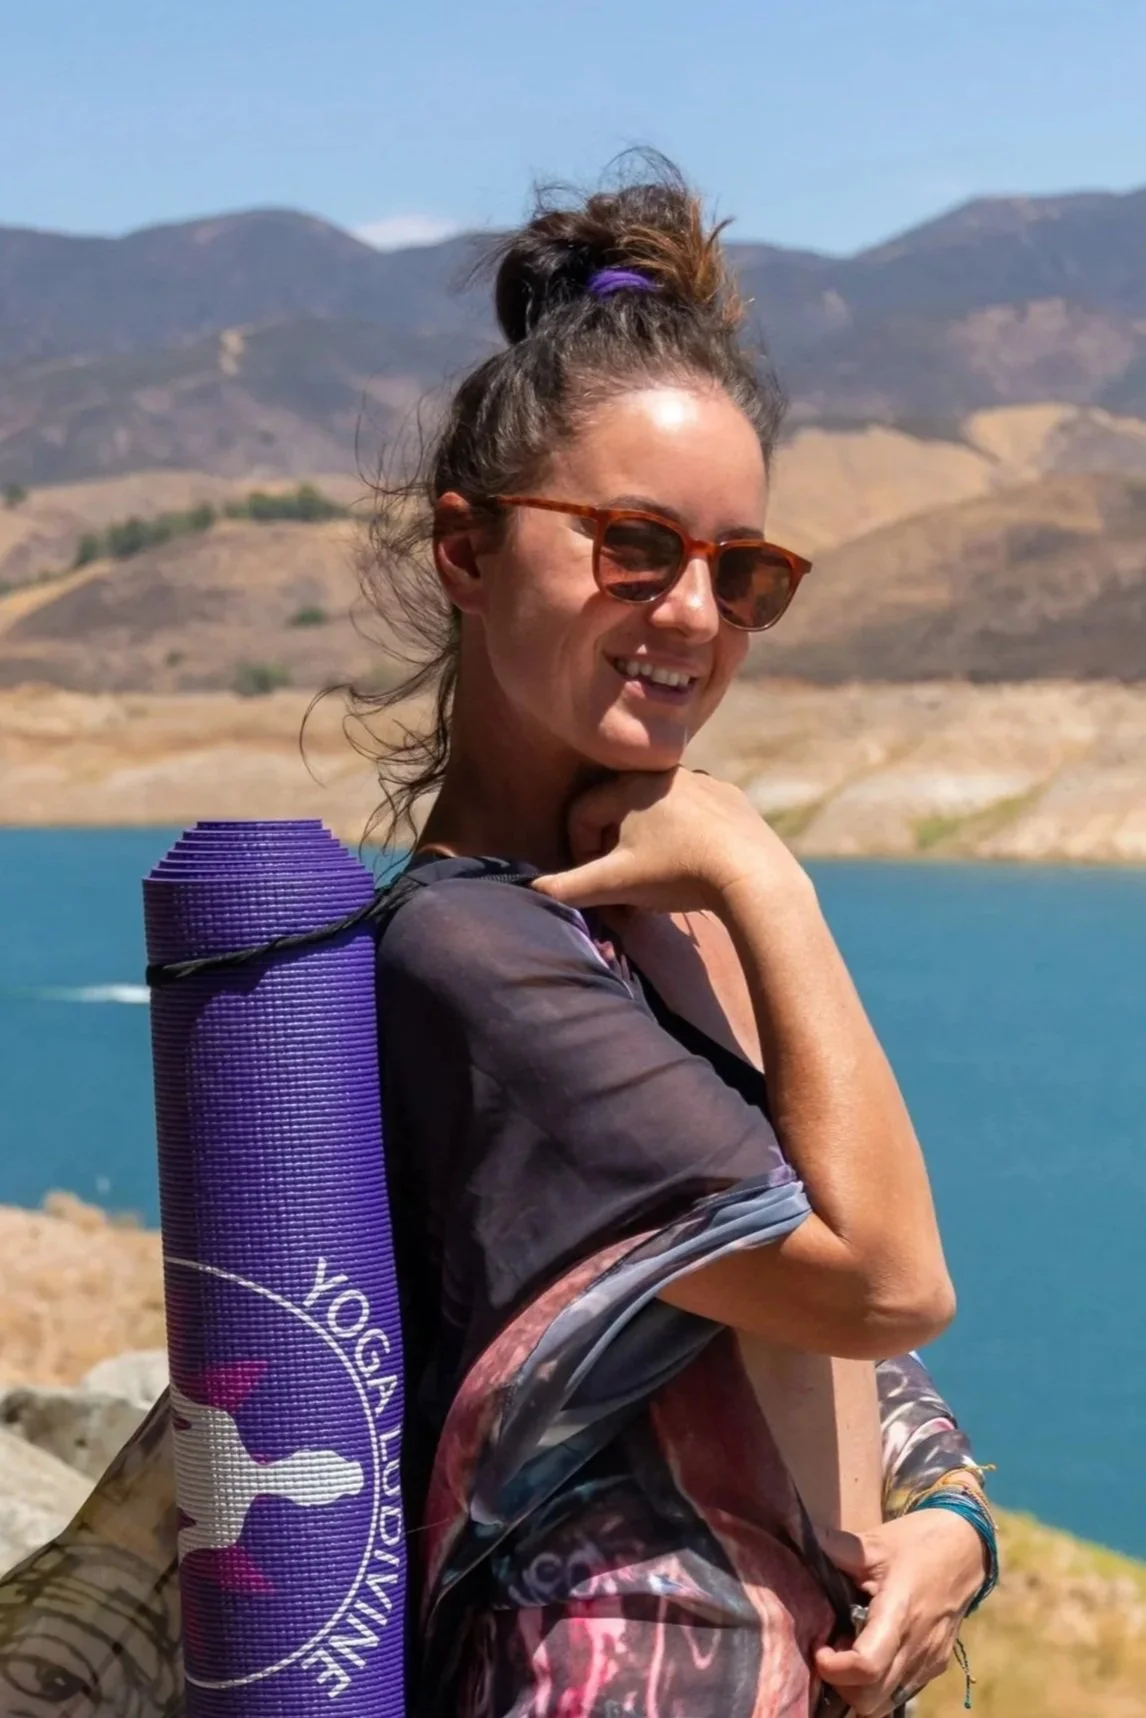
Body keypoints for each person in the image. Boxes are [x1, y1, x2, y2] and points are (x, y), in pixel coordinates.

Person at [359, 159, 997, 1717]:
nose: (695, 615)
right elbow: (884, 1278)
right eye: (631, 544)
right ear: (466, 551)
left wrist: (948, 1520)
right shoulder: (474, 950)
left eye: (740, 568)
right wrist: (768, 881)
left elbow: (824, 1325)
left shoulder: (642, 923)